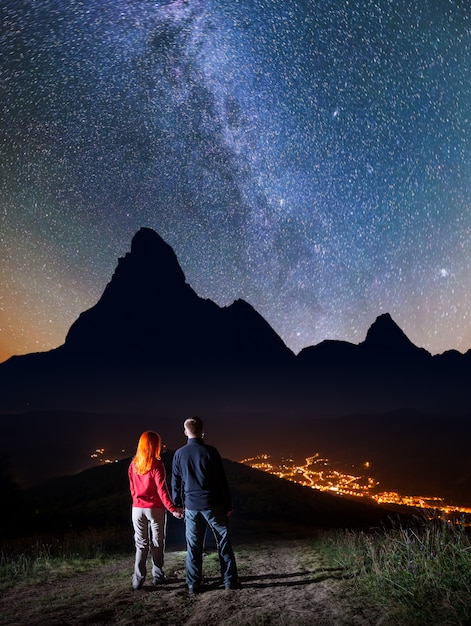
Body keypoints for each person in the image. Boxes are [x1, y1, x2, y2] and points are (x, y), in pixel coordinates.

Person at [171, 416, 240, 594]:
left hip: (191, 507)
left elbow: (175, 482)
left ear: (185, 432)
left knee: (193, 546)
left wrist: (177, 504)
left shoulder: (179, 454)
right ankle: (230, 581)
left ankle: (193, 584)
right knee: (223, 542)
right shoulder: (211, 452)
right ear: (203, 431)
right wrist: (228, 504)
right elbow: (221, 481)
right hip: (213, 505)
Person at [128, 431, 183, 590]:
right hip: (155, 509)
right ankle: (158, 576)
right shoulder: (157, 465)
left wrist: (137, 502)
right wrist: (172, 509)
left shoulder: (133, 464)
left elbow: (132, 489)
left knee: (141, 544)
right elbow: (162, 491)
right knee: (157, 542)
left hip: (137, 509)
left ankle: (137, 580)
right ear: (155, 445)